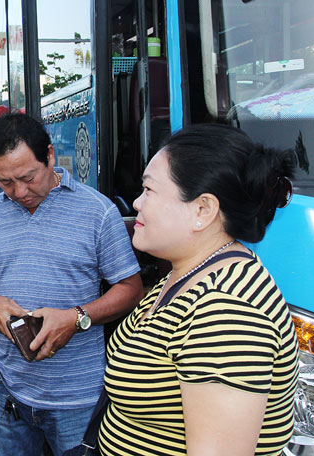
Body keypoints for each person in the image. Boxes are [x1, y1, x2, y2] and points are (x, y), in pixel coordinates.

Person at [97, 124, 298, 455]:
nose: (136, 202)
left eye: (149, 190)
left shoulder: (228, 312)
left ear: (203, 210)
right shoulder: (188, 273)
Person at [0, 113, 143, 455]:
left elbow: (131, 289)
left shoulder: (97, 212)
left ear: (50, 155)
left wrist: (76, 318)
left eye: (29, 177)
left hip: (77, 396)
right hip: (5, 387)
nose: (20, 192)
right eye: (5, 182)